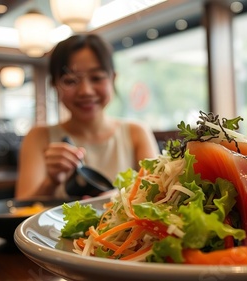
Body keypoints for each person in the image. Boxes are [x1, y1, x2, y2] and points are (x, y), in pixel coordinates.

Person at [15, 34, 160, 199]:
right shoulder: (38, 137)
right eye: (70, 80)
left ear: (113, 79)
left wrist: (120, 199)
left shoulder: (137, 132)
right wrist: (51, 181)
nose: (85, 91)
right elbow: (22, 209)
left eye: (96, 78)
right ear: (55, 85)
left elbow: (157, 195)